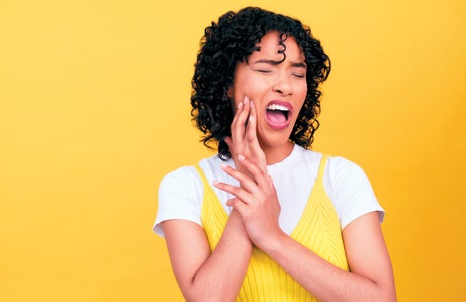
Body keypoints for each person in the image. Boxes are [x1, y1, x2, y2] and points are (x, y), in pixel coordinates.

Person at [152, 7, 396, 302]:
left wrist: (271, 236)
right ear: (227, 84)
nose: (285, 86)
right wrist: (249, 187)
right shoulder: (184, 186)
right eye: (266, 70)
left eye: (298, 73)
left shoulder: (342, 177)